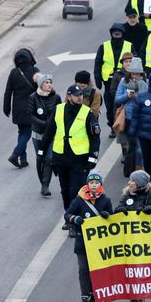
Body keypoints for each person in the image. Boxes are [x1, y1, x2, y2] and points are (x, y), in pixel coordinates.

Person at [39, 85, 101, 221]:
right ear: (69, 96)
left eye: (81, 95)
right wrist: (41, 150)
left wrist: (93, 157)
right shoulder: (59, 110)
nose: (80, 97)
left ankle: (76, 219)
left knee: (76, 190)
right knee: (65, 190)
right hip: (61, 158)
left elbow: (95, 137)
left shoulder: (87, 113)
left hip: (79, 159)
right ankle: (69, 215)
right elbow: (49, 132)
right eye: (76, 95)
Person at [64, 169, 112, 302]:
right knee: (84, 270)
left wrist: (107, 216)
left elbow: (113, 217)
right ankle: (85, 298)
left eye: (97, 182)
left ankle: (93, 296)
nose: (93, 185)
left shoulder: (105, 200)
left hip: (98, 243)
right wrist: (74, 219)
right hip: (82, 242)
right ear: (87, 184)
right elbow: (68, 214)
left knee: (95, 270)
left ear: (100, 184)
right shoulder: (79, 199)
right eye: (91, 182)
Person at [114, 170, 151, 302]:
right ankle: (134, 298)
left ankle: (141, 295)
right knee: (132, 268)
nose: (129, 183)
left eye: (132, 181)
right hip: (130, 240)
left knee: (142, 268)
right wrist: (121, 210)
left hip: (146, 240)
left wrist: (148, 210)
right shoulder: (126, 195)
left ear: (139, 183)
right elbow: (117, 210)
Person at [3, 47, 39, 168]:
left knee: (21, 131)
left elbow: (8, 92)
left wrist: (6, 107)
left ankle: (23, 160)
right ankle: (15, 154)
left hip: (17, 108)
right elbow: (41, 90)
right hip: (30, 107)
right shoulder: (35, 70)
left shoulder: (14, 72)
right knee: (27, 133)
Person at [28, 74, 61, 197]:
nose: (49, 85)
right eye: (46, 82)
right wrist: (44, 124)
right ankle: (42, 183)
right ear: (41, 84)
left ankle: (45, 185)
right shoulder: (33, 97)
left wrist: (52, 126)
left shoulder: (56, 97)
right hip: (38, 134)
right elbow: (30, 115)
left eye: (50, 82)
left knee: (49, 158)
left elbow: (59, 112)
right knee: (40, 158)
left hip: (52, 134)